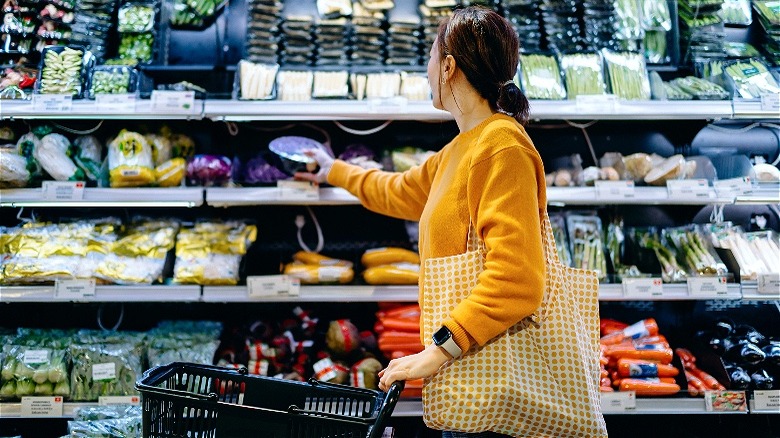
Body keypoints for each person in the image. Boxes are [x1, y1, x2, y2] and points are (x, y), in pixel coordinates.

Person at [297, 6, 546, 438]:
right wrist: (332, 169)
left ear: (448, 66)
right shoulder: (460, 150)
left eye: (430, 58)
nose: (426, 70)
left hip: (497, 390)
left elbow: (518, 277)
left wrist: (439, 349)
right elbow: (397, 191)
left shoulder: (502, 146)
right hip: (469, 376)